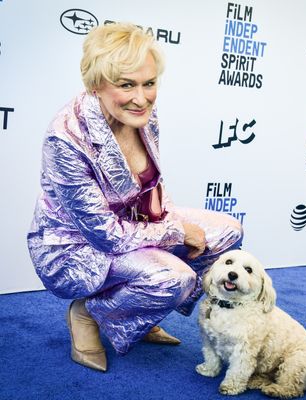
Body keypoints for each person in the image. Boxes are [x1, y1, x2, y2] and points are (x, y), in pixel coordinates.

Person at [27, 22, 243, 372]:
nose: (142, 97)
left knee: (227, 233)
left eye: (149, 83)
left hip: (136, 222)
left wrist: (171, 218)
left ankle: (139, 310)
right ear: (96, 84)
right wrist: (176, 231)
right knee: (175, 279)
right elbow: (106, 235)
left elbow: (150, 184)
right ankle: (88, 312)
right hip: (77, 245)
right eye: (126, 85)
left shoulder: (141, 112)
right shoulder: (64, 139)